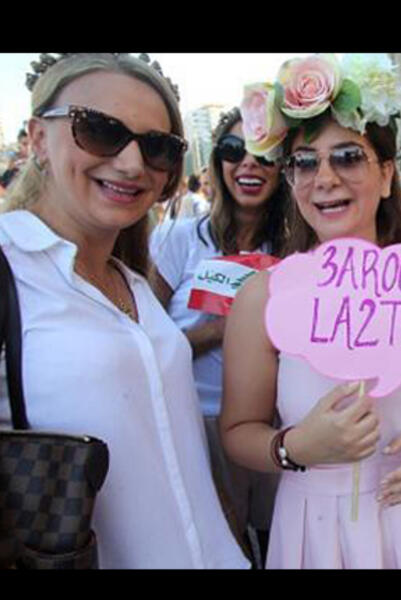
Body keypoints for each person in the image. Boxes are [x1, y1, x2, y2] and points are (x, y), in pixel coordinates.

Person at [221, 53, 401, 569]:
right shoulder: (262, 296)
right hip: (318, 530)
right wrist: (297, 447)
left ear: (386, 174)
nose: (323, 178)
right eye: (305, 163)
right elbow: (238, 432)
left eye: (348, 157)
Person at [0, 53, 249, 569]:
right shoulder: (9, 269)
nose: (133, 164)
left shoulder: (134, 282)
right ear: (37, 138)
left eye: (158, 147)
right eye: (99, 130)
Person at [149, 106, 288, 565]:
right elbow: (142, 342)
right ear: (217, 163)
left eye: (264, 153)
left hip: (275, 423)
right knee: (219, 548)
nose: (248, 162)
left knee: (278, 545)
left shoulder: (297, 249)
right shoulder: (180, 238)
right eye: (233, 150)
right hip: (196, 422)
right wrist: (226, 330)